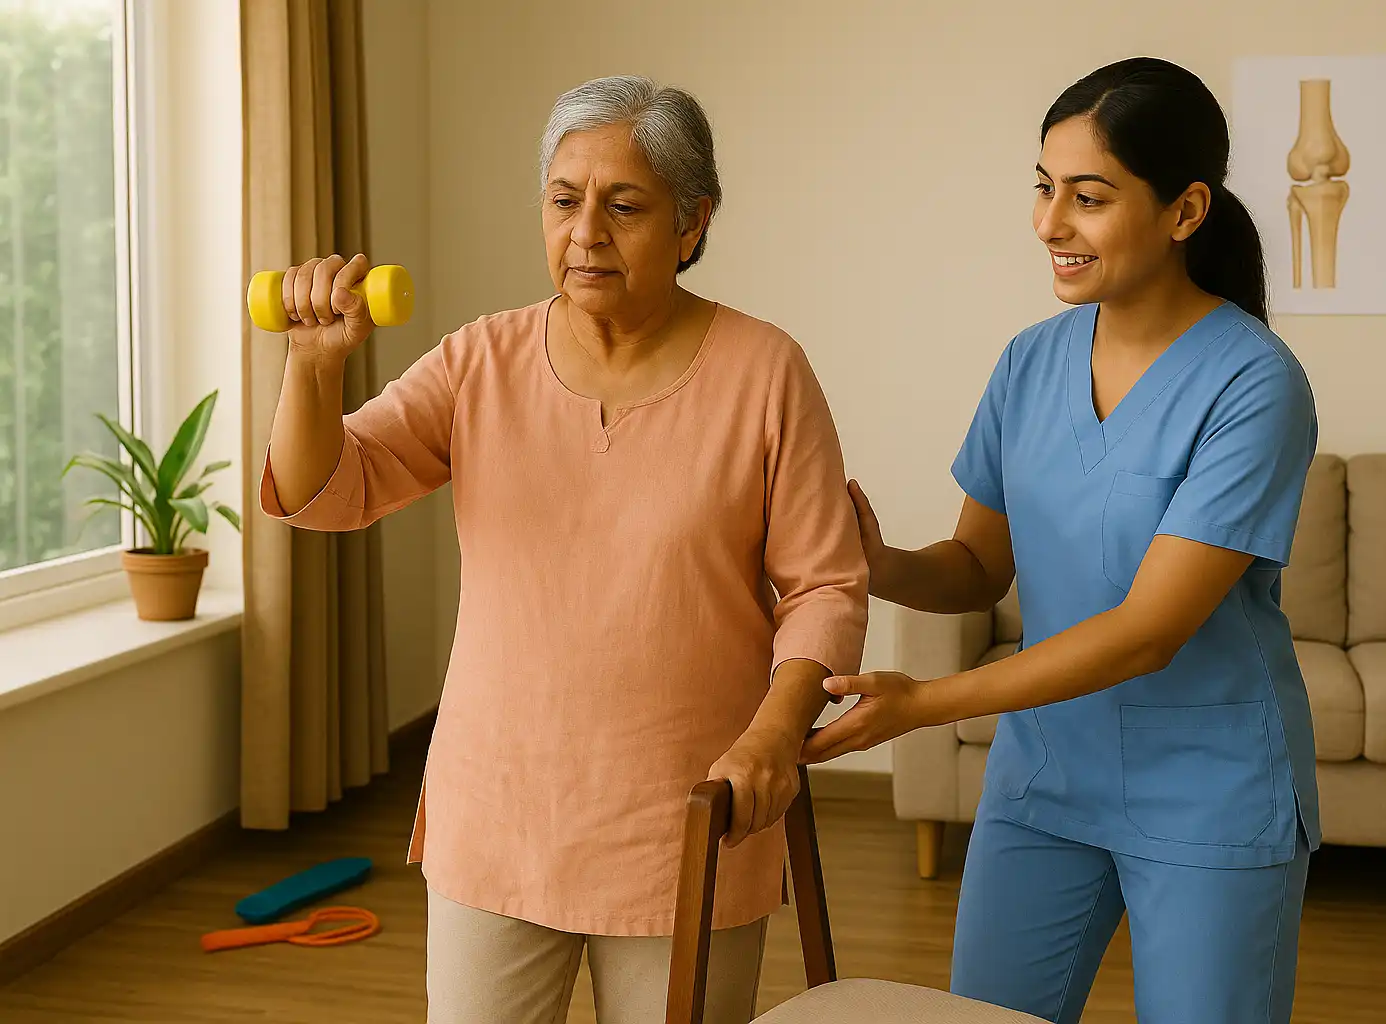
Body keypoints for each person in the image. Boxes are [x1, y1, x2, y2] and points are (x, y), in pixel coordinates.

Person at [262, 76, 868, 1023]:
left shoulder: (766, 371)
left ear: (692, 222)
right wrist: (312, 368)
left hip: (686, 817)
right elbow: (324, 493)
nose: (585, 232)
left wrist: (773, 735)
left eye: (624, 206)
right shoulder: (479, 360)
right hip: (498, 815)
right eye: (562, 200)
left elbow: (826, 586)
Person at [802, 57, 1319, 1024]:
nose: (1049, 223)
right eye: (1044, 188)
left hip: (1206, 785)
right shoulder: (1028, 364)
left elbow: (1147, 632)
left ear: (1184, 210)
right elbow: (978, 567)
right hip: (1043, 778)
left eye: (1089, 197)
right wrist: (879, 567)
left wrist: (922, 704)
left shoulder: (1254, 383)